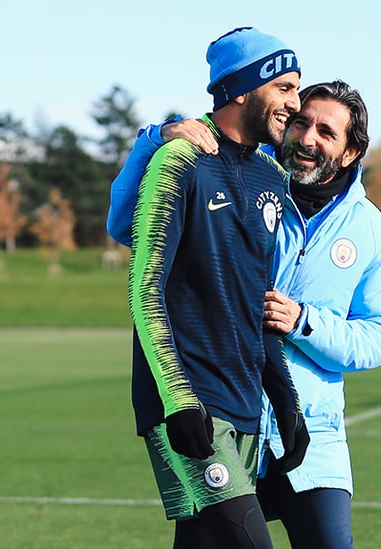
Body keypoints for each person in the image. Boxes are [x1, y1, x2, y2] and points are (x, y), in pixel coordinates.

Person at [110, 80, 381, 548]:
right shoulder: (246, 180)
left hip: (310, 434)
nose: (308, 138)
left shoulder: (368, 228)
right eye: (301, 122)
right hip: (223, 414)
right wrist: (154, 141)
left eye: (327, 132)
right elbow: (126, 224)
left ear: (350, 152)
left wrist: (305, 322)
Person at [126, 27, 309, 549]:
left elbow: (259, 298)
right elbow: (145, 290)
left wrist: (285, 398)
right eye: (285, 88)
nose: (294, 104)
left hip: (245, 399)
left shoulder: (271, 177)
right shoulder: (179, 161)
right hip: (187, 399)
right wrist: (179, 401)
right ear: (242, 89)